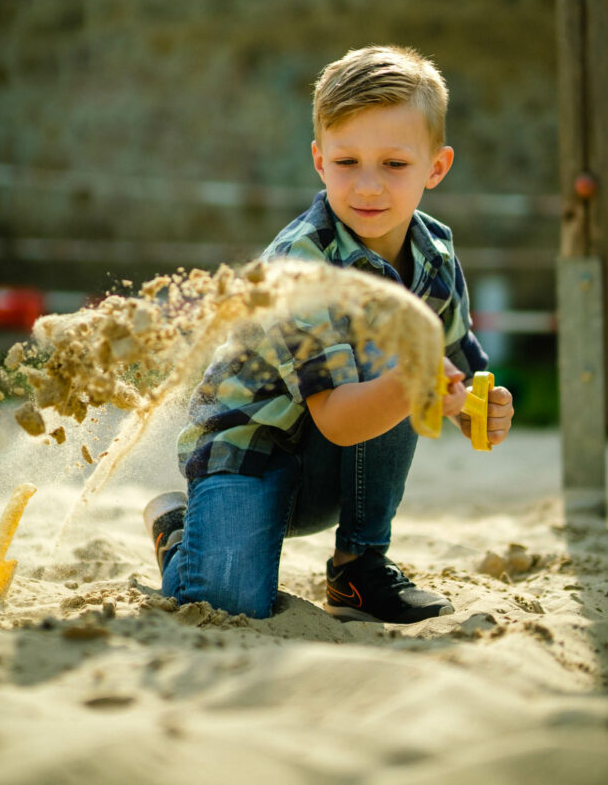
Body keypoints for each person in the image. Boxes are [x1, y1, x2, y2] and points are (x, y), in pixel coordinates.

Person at [144, 45, 514, 623]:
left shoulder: (435, 254)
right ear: (319, 161)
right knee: (228, 600)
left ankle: (359, 569)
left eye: (394, 165)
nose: (368, 187)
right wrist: (416, 380)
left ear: (435, 168)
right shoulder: (300, 267)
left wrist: (475, 409)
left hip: (331, 466)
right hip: (247, 452)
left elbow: (458, 373)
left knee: (404, 354)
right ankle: (177, 530)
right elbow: (339, 418)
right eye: (347, 163)